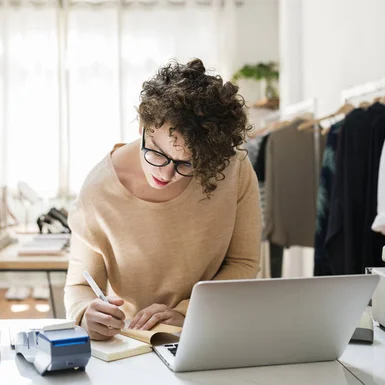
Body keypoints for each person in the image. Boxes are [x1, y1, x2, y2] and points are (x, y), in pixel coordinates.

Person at [64, 58, 261, 341]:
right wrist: (85, 313)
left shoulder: (233, 168)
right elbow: (80, 286)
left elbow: (243, 262)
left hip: (212, 329)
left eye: (187, 164)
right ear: (142, 126)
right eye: (157, 153)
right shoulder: (98, 190)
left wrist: (187, 311)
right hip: (132, 340)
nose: (166, 173)